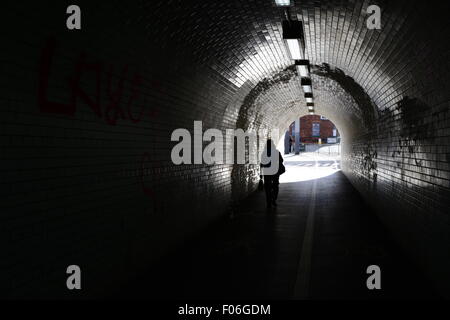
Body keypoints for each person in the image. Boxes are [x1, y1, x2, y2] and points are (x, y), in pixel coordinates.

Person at [260, 139, 285, 209]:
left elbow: (262, 164)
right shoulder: (277, 152)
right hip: (275, 172)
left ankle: (268, 202)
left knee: (267, 188)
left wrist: (261, 174)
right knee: (275, 186)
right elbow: (281, 160)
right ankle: (274, 199)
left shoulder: (264, 153)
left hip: (267, 172)